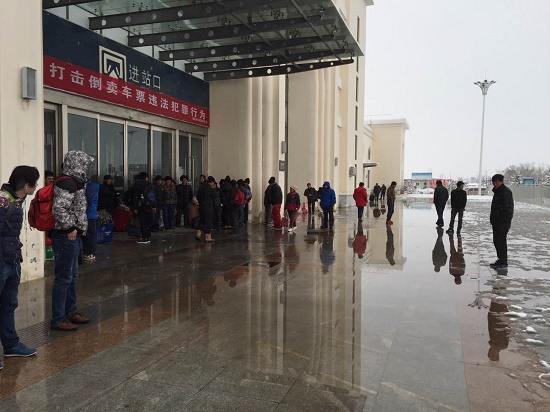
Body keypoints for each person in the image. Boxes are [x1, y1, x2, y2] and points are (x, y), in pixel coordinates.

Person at [0, 166, 40, 362]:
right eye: (35, 182)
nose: (37, 186)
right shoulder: (3, 201)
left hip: (13, 260)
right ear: (26, 185)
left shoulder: (17, 200)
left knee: (8, 305)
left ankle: (11, 346)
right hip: (2, 261)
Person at [50, 151, 94, 331]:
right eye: (84, 164)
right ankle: (58, 318)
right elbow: (59, 208)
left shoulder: (76, 181)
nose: (86, 167)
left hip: (72, 235)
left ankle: (70, 311)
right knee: (64, 278)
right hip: (65, 236)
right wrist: (70, 228)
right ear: (76, 163)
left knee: (72, 277)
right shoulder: (66, 182)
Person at [490, 174, 514, 269]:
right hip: (496, 222)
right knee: (496, 241)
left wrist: (502, 220)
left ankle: (503, 261)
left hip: (502, 222)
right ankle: (500, 259)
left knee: (501, 241)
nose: (495, 184)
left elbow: (508, 209)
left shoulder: (506, 192)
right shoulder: (498, 192)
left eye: (496, 182)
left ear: (501, 182)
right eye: (493, 182)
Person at [131, 172, 155, 244]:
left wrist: (135, 208)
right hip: (149, 206)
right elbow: (153, 196)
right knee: (148, 222)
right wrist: (153, 206)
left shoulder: (137, 185)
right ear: (146, 178)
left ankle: (144, 237)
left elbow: (135, 197)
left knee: (143, 222)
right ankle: (148, 236)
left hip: (141, 206)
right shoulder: (150, 185)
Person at [82, 176, 99, 261]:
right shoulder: (89, 187)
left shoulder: (90, 188)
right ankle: (88, 252)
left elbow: (89, 202)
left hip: (90, 215)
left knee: (90, 234)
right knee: (88, 234)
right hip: (89, 214)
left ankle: (91, 253)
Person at [196, 176, 217, 242]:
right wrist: (213, 189)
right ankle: (208, 236)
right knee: (208, 221)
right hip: (208, 207)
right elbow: (215, 196)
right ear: (211, 182)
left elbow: (198, 196)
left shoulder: (201, 187)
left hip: (202, 206)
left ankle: (198, 233)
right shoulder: (209, 188)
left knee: (202, 220)